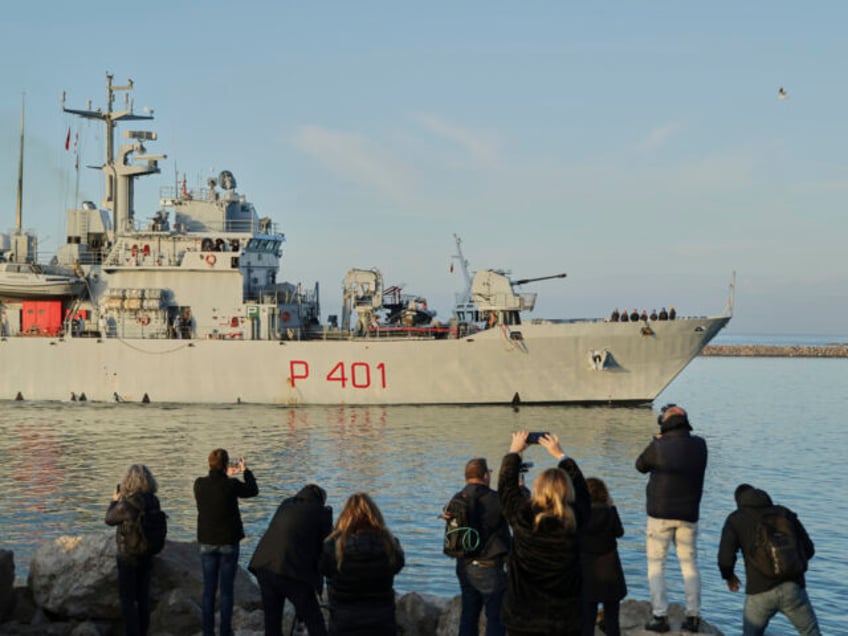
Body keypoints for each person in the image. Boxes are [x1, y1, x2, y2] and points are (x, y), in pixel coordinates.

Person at [498, 431, 590, 636]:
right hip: (564, 618)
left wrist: (514, 451)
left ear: (537, 489)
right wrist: (561, 455)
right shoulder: (575, 519)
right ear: (568, 491)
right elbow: (583, 493)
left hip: (522, 617)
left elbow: (506, 489)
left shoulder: (523, 516)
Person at [635, 404, 707, 633]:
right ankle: (693, 616)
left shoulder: (658, 446)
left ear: (664, 423)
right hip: (688, 515)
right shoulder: (700, 445)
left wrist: (656, 441)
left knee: (656, 565)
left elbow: (640, 466)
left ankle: (660, 616)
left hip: (660, 515)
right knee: (690, 566)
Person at [717, 484, 820, 636]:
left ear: (739, 502)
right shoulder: (785, 514)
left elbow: (725, 559)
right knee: (811, 633)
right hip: (794, 588)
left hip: (759, 591)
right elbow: (809, 549)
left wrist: (729, 576)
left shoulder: (736, 519)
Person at [248, 484, 333, 636]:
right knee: (314, 620)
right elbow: (326, 549)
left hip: (264, 565)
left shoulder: (286, 504)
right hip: (290, 572)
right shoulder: (321, 512)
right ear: (321, 499)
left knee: (272, 620)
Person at [319, 492, 405, 636]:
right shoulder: (390, 544)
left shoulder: (334, 545)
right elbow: (398, 565)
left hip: (345, 622)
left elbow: (323, 568)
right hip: (381, 622)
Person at [194, 449, 259, 636]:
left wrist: (224, 474)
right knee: (226, 590)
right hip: (229, 542)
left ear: (209, 464)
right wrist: (245, 471)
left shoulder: (199, 484)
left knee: (208, 589)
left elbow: (215, 484)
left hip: (207, 541)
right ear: (225, 465)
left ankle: (208, 631)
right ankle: (225, 631)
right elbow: (253, 490)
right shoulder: (231, 486)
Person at [445, 457, 511, 636]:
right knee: (495, 617)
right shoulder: (495, 499)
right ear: (485, 476)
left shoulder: (456, 499)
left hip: (464, 565)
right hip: (489, 567)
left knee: (469, 614)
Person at [105, 464, 162, 636]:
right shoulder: (154, 501)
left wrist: (114, 501)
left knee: (128, 600)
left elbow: (109, 519)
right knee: (143, 597)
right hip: (148, 552)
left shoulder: (126, 505)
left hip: (128, 555)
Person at [580, 477, 627, 636]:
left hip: (588, 574)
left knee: (587, 621)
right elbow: (619, 532)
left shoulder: (580, 516)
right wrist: (612, 506)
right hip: (611, 572)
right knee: (612, 620)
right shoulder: (609, 512)